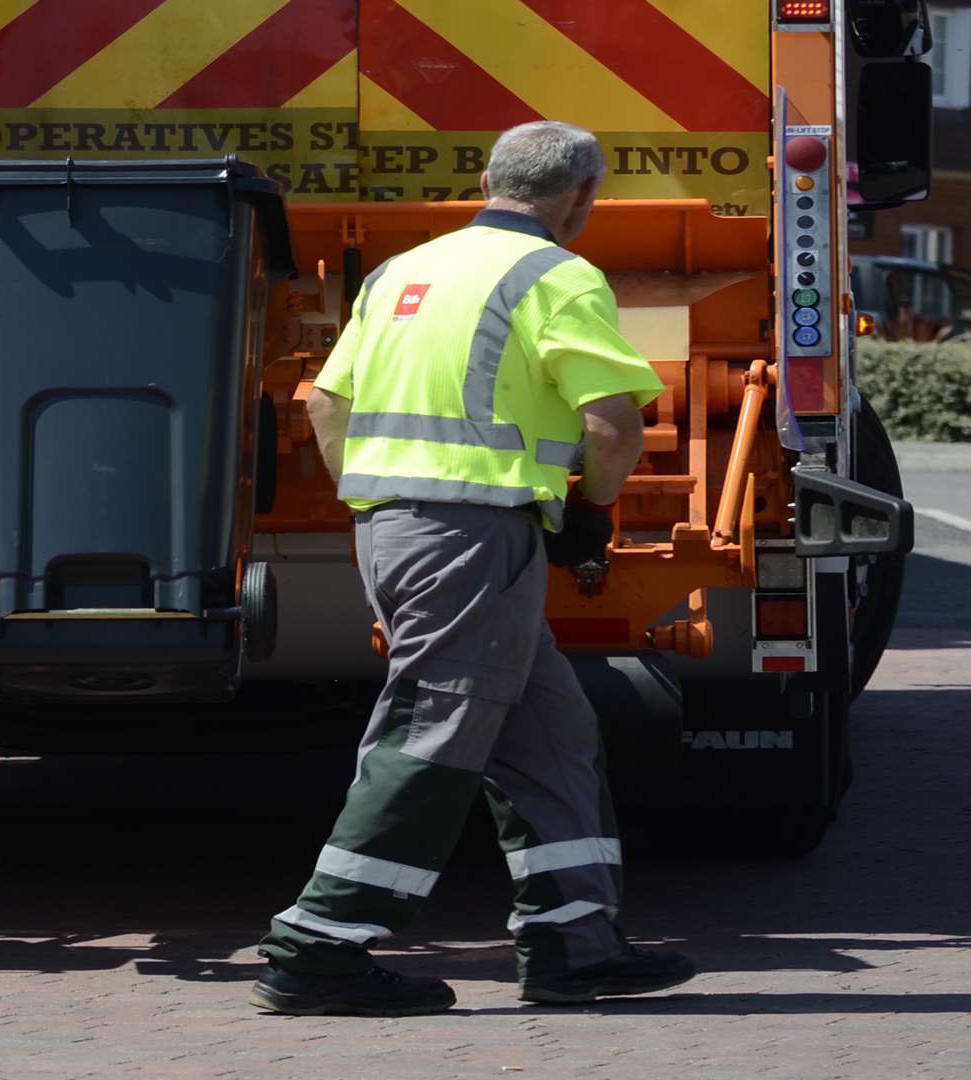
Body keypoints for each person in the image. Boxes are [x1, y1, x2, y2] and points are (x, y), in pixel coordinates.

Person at [250, 121, 697, 1016]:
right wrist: (592, 516)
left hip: (407, 527)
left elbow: (328, 405)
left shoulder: (400, 273)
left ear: (487, 178)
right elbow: (612, 424)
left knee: (550, 735)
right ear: (582, 198)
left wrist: (376, 501)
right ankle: (320, 942)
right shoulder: (558, 276)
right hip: (475, 532)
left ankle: (576, 943)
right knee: (434, 725)